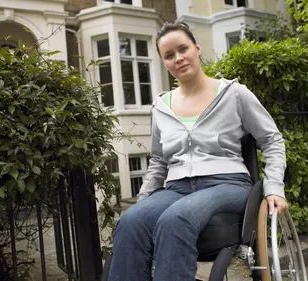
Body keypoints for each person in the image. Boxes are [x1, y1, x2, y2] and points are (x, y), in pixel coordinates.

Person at [107, 21, 288, 281]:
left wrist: (274, 188)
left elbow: (272, 140)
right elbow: (158, 161)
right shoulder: (161, 106)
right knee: (132, 220)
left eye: (183, 49)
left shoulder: (234, 94)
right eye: (169, 55)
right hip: (177, 188)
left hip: (228, 184)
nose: (178, 58)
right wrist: (145, 201)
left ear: (197, 48)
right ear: (164, 62)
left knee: (175, 219)